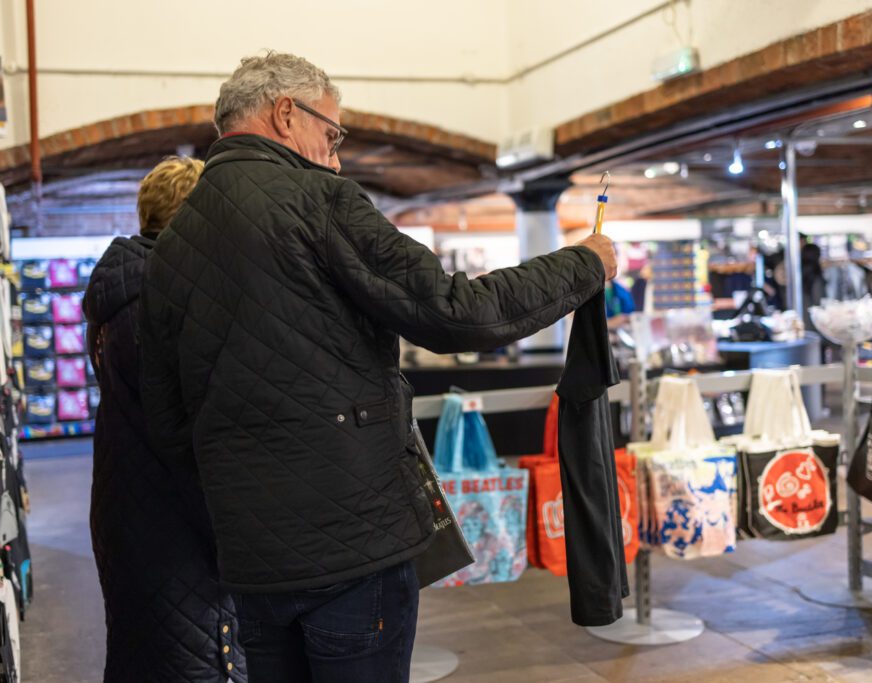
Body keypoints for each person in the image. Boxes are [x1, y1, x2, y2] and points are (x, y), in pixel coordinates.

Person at [139, 52, 616, 683]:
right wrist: (584, 265)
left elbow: (168, 421)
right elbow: (456, 311)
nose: (335, 155)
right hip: (354, 545)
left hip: (252, 558)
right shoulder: (317, 200)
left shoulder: (172, 246)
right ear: (286, 115)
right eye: (331, 135)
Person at [85, 157, 246, 682]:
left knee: (148, 649)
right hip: (171, 515)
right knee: (191, 657)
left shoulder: (122, 291)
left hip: (129, 499)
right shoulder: (162, 300)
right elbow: (187, 427)